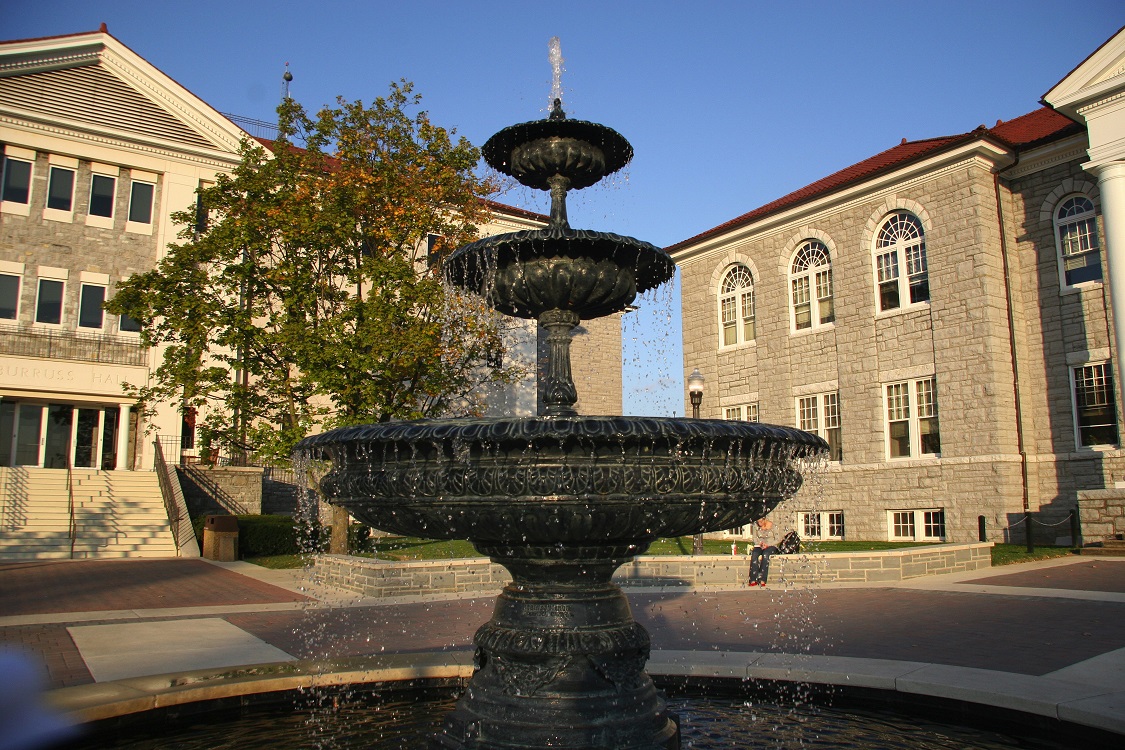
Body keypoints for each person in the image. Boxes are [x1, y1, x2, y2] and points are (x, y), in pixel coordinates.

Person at [747, 517, 778, 588]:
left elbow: (777, 539)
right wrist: (760, 543)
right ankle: (753, 579)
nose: (759, 524)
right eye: (758, 522)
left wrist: (768, 544)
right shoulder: (756, 526)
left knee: (765, 555)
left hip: (771, 545)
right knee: (754, 555)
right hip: (759, 545)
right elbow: (754, 538)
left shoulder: (773, 526)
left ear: (764, 520)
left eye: (760, 522)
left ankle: (762, 579)